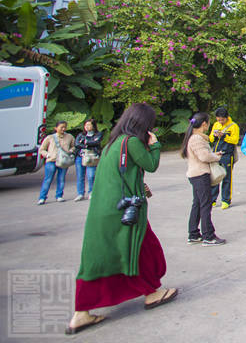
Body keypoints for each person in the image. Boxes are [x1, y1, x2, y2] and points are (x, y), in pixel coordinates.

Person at [66, 102, 177, 335]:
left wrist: (139, 184)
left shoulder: (113, 143)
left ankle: (81, 313)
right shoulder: (133, 142)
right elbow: (151, 164)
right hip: (125, 213)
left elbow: (123, 174)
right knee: (144, 251)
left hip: (104, 211)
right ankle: (151, 293)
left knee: (101, 258)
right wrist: (155, 146)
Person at [182, 111, 225, 246]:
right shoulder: (197, 138)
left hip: (196, 174)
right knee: (205, 204)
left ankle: (194, 233)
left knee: (198, 203)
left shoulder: (195, 137)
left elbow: (203, 154)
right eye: (208, 123)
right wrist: (216, 157)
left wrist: (211, 154)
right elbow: (204, 157)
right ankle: (208, 235)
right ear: (204, 124)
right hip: (200, 175)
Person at [208, 107, 240, 209]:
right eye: (218, 120)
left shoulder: (233, 126)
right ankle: (212, 199)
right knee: (214, 176)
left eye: (222, 120)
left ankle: (226, 200)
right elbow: (211, 139)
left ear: (227, 117)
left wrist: (224, 136)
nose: (220, 122)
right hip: (215, 154)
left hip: (227, 155)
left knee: (226, 177)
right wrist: (214, 135)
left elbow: (235, 140)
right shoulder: (216, 125)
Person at [37, 120, 75, 204]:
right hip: (51, 161)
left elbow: (74, 146)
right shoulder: (50, 137)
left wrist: (70, 151)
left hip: (63, 161)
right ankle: (42, 197)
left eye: (65, 127)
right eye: (61, 127)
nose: (63, 129)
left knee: (61, 179)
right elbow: (41, 149)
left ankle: (59, 196)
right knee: (48, 179)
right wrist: (48, 155)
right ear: (56, 128)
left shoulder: (69, 137)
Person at [73, 118, 103, 202]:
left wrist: (85, 143)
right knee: (80, 175)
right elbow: (77, 144)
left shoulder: (98, 134)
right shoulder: (81, 135)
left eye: (89, 125)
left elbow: (96, 143)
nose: (87, 127)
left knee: (91, 175)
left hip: (92, 156)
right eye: (86, 125)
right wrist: (87, 145)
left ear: (93, 126)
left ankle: (91, 192)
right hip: (81, 156)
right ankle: (80, 193)